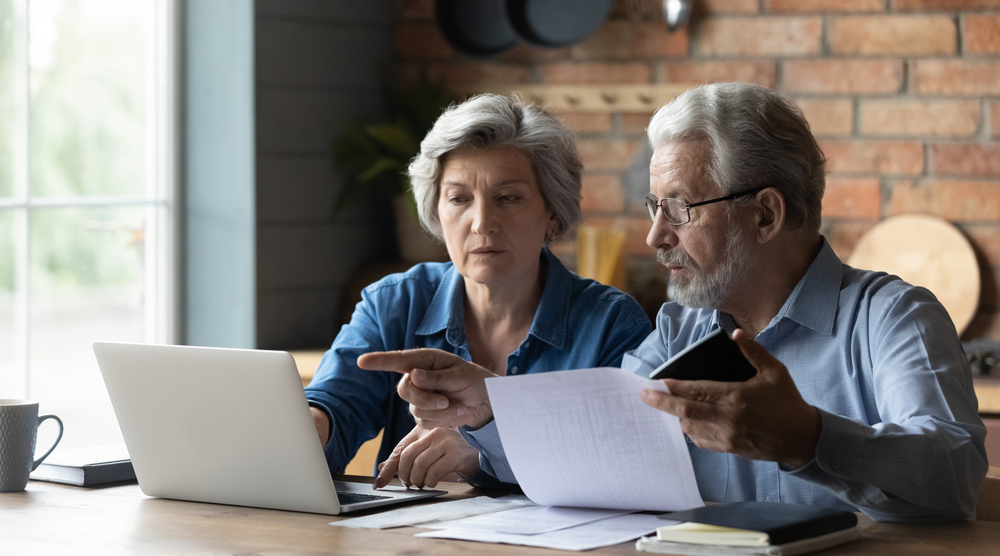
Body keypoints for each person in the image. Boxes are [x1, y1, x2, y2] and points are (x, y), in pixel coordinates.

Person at [372, 83, 988, 522]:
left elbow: (954, 478)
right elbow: (600, 447)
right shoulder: (679, 329)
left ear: (766, 214)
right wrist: (491, 407)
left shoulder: (892, 317)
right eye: (653, 207)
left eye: (680, 209)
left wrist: (809, 438)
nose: (655, 237)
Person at [304, 94, 651, 489]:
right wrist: (313, 428)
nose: (482, 222)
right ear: (437, 211)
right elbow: (336, 404)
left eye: (508, 198)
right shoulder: (394, 303)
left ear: (553, 213)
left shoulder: (612, 325)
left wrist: (483, 452)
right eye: (459, 199)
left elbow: (622, 464)